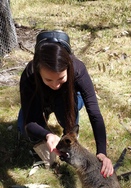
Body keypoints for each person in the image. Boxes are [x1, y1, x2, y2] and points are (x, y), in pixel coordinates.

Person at [17, 30, 113, 177]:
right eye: (49, 80)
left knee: (68, 119)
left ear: (68, 67)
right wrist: (47, 135)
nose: (55, 84)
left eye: (61, 78)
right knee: (27, 130)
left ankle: (68, 125)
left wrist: (102, 152)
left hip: (67, 99)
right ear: (38, 71)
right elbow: (30, 122)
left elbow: (94, 113)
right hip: (40, 99)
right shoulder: (29, 75)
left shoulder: (78, 69)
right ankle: (45, 134)